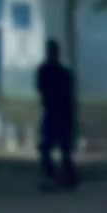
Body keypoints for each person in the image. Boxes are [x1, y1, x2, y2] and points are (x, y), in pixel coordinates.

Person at [35, 38, 78, 189]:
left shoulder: (46, 71)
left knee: (52, 146)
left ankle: (57, 174)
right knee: (58, 146)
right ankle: (63, 175)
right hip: (58, 112)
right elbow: (68, 96)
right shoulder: (61, 73)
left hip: (54, 111)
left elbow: (42, 89)